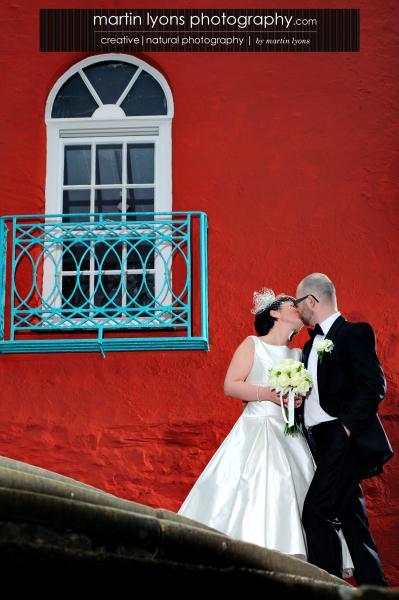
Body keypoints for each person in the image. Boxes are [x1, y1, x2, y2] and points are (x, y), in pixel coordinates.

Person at [176, 287, 354, 577]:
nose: (297, 307)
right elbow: (231, 384)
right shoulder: (253, 345)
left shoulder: (299, 353)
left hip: (290, 435)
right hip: (255, 428)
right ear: (274, 313)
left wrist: (297, 400)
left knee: (297, 499)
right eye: (289, 304)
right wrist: (267, 393)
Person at [294, 273, 393, 586]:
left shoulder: (353, 333)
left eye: (299, 303)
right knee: (352, 519)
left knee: (315, 512)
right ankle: (374, 589)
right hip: (318, 442)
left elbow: (374, 385)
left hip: (341, 437)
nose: (298, 310)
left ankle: (328, 588)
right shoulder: (311, 345)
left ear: (312, 300)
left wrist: (347, 428)